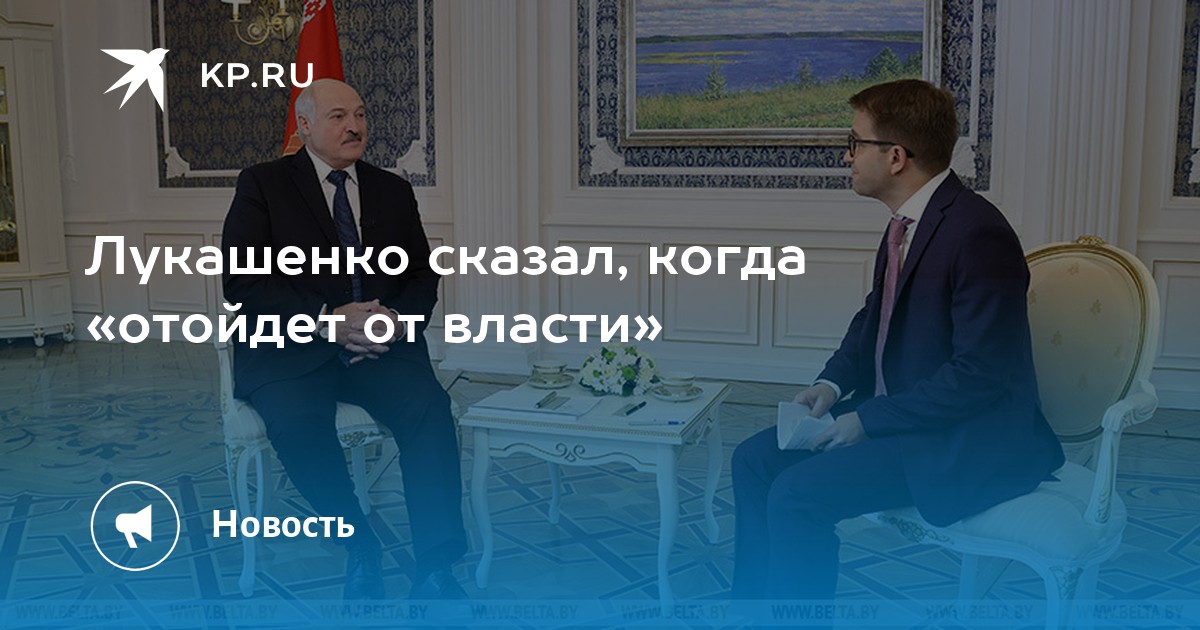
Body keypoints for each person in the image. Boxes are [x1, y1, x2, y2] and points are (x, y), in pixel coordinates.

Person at [731, 79, 1065, 600]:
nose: (847, 156)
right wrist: (831, 384)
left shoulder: (979, 233)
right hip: (907, 417)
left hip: (959, 437)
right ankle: (753, 611)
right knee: (752, 461)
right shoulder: (908, 223)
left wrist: (868, 419)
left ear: (895, 157)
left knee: (797, 494)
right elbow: (876, 315)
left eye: (854, 142)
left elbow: (979, 375)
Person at [222, 79, 467, 600]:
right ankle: (359, 544)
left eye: (359, 114)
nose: (354, 126)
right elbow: (242, 279)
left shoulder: (392, 189)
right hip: (291, 348)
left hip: (378, 348)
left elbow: (422, 275)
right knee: (297, 426)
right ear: (305, 125)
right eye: (338, 116)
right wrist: (327, 319)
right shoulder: (263, 184)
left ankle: (437, 567)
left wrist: (395, 319)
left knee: (430, 410)